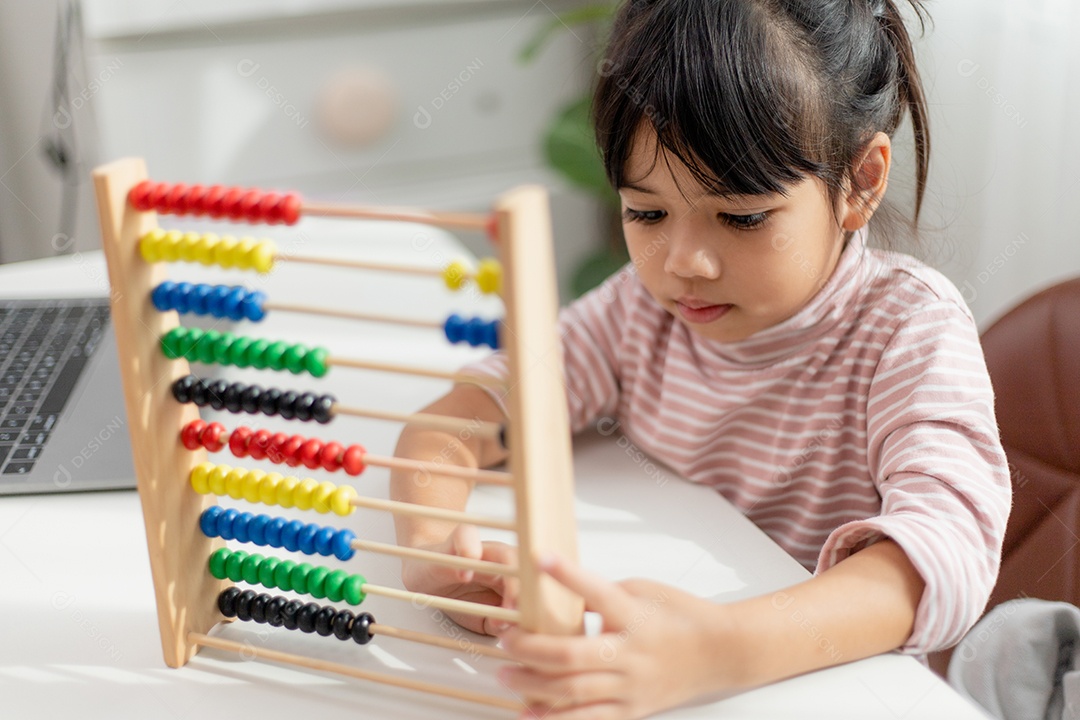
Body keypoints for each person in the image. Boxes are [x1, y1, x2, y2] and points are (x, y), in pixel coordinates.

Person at [390, 0, 1012, 717]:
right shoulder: (638, 312)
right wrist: (436, 548)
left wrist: (721, 648)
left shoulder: (908, 331)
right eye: (646, 213)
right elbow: (468, 414)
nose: (683, 263)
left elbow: (947, 558)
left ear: (861, 182)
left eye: (742, 217)